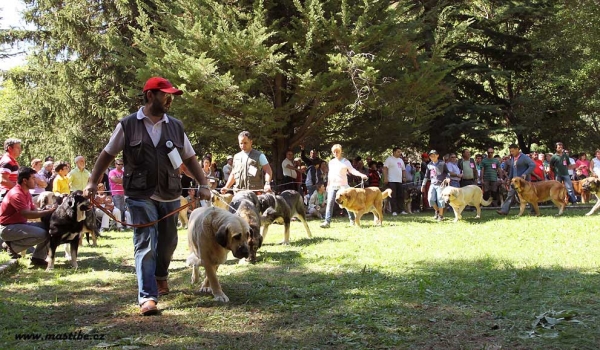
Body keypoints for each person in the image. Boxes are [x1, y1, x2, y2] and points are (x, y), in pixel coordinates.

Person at [84, 76, 212, 316]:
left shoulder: (175, 125)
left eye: (171, 95)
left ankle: (161, 276)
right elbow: (107, 154)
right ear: (150, 95)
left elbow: (189, 158)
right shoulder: (128, 124)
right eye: (165, 94)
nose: (169, 99)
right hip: (139, 194)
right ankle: (147, 297)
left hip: (169, 192)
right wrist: (92, 181)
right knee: (145, 241)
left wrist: (203, 182)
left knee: (168, 241)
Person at [0, 167, 55, 267]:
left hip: (20, 225)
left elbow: (34, 210)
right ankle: (12, 248)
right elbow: (27, 214)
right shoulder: (16, 194)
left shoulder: (26, 193)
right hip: (7, 228)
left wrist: (48, 210)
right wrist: (48, 211)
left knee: (50, 230)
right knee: (42, 234)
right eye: (33, 178)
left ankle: (38, 259)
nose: (36, 181)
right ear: (25, 180)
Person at [320, 144, 368, 228]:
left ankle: (352, 220)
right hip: (333, 186)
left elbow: (352, 170)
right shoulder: (331, 162)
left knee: (347, 204)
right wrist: (328, 185)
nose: (336, 153)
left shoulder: (345, 161)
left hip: (343, 187)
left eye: (337, 151)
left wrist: (361, 175)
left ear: (341, 151)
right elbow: (330, 174)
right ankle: (327, 222)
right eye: (334, 152)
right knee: (330, 202)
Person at [496, 144, 536, 215]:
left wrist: (525, 173)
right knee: (510, 195)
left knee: (529, 196)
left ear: (517, 149)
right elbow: (512, 169)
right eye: (510, 151)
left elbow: (532, 165)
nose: (511, 153)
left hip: (524, 182)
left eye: (513, 151)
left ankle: (534, 211)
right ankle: (504, 211)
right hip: (514, 182)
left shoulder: (524, 157)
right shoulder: (513, 158)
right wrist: (509, 179)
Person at [420, 150, 450, 221]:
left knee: (440, 199)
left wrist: (448, 178)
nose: (432, 157)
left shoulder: (442, 163)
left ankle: (441, 215)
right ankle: (437, 211)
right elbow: (426, 176)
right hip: (432, 184)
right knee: (430, 199)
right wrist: (423, 185)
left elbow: (447, 172)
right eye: (430, 156)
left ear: (437, 155)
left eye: (434, 155)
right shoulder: (429, 165)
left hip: (441, 184)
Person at [383, 147, 407, 216]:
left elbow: (403, 170)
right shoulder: (389, 159)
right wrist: (385, 178)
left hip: (399, 180)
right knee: (393, 196)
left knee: (401, 195)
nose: (400, 153)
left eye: (400, 152)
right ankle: (394, 211)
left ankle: (401, 210)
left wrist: (404, 177)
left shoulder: (401, 160)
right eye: (398, 152)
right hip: (391, 180)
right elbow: (385, 169)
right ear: (394, 152)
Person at [0, 138, 22, 203]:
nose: (20, 150)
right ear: (10, 148)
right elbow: (3, 180)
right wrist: (19, 189)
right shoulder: (7, 161)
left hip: (12, 194)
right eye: (18, 148)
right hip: (8, 195)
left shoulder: (12, 161)